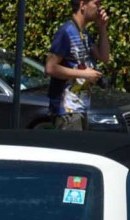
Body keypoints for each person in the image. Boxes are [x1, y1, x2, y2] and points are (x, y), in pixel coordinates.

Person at [45, 0, 111, 130]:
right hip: (66, 111)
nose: (100, 8)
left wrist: (102, 28)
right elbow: (50, 68)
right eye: (96, 3)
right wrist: (84, 74)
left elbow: (104, 57)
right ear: (82, 5)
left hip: (80, 108)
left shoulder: (84, 34)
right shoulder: (66, 32)